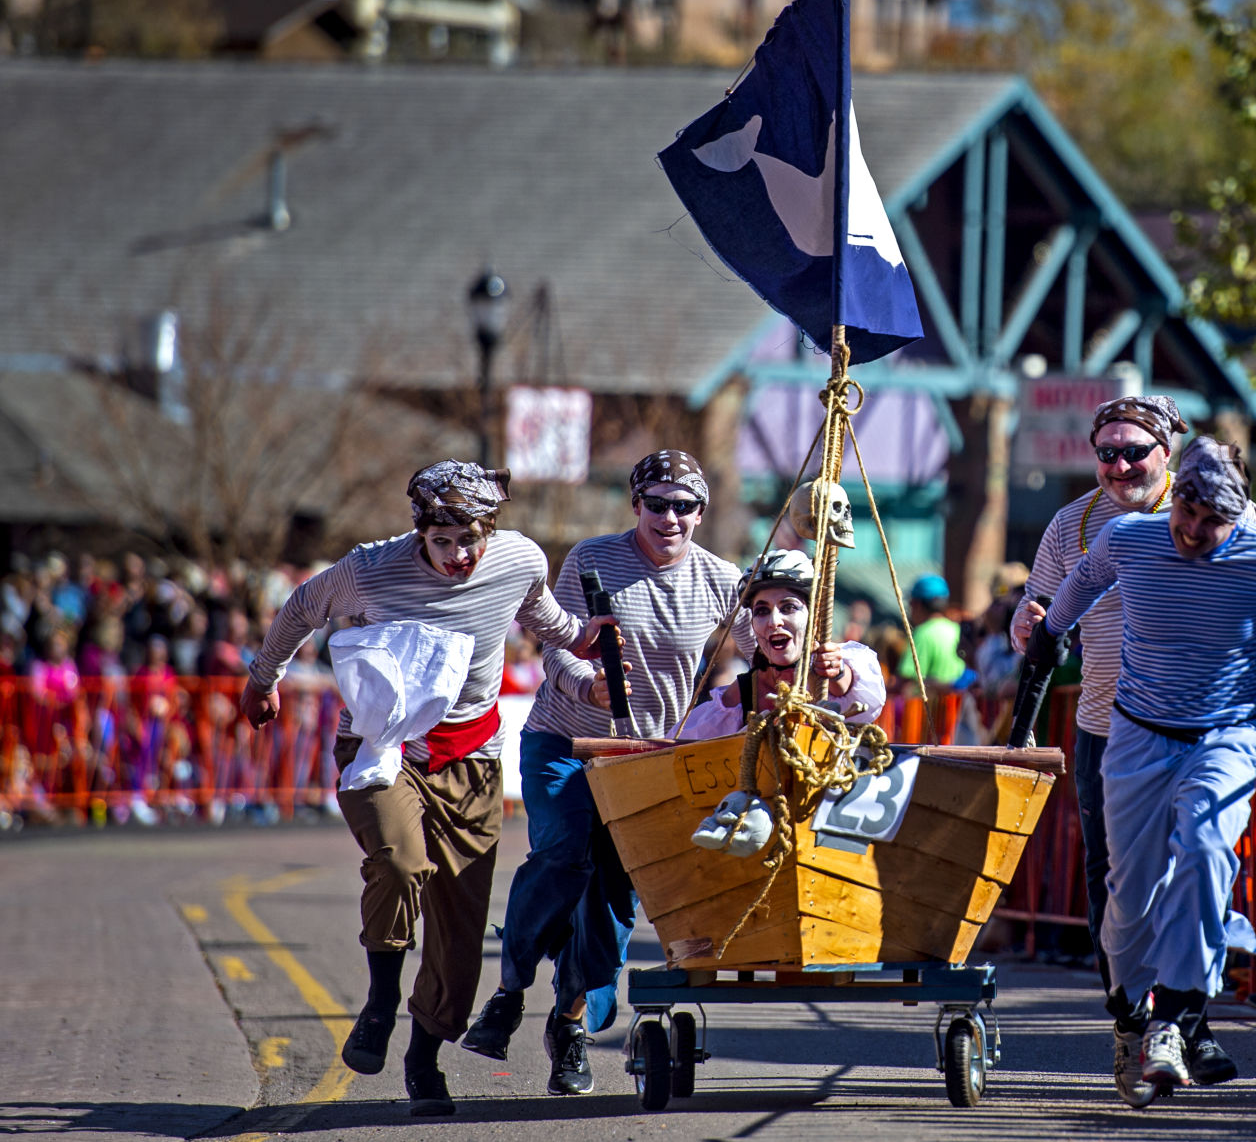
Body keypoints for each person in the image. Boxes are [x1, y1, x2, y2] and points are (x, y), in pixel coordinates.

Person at [1027, 436, 1256, 1109]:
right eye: (1186, 513)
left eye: (1211, 522)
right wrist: (1049, 634)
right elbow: (1079, 582)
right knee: (1130, 891)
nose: (1194, 531)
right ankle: (1132, 1008)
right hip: (1138, 733)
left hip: (1228, 733)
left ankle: (1177, 1018)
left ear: (1240, 514)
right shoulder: (1132, 538)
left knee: (1203, 848)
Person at [238, 461, 612, 1117]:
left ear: (490, 529)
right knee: (400, 860)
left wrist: (588, 643)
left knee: (460, 936)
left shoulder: (518, 558)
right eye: (444, 542)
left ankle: (424, 1053)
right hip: (385, 748)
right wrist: (264, 677)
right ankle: (381, 1004)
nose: (460, 556)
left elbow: (550, 621)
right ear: (421, 532)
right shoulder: (372, 569)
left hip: (473, 761)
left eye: (471, 540)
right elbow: (301, 608)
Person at [463, 450, 749, 1097]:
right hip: (566, 738)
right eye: (657, 503)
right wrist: (589, 683)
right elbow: (555, 643)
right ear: (635, 504)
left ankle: (570, 1024)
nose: (669, 516)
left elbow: (767, 647)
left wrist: (799, 657)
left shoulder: (720, 580)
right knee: (566, 855)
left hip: (646, 755)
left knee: (614, 897)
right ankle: (510, 989)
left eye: (684, 505)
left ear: (700, 512)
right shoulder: (593, 556)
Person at [1009, 394, 1256, 1022]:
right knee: (1114, 878)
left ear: (1166, 454)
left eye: (1133, 453)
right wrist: (1025, 625)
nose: (1118, 467)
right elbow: (1038, 611)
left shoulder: (1217, 510)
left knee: (1196, 859)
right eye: (1106, 454)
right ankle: (1130, 1017)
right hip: (1106, 728)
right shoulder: (1070, 526)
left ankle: (1186, 1023)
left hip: (1202, 726)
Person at [677, 549, 884, 742]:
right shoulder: (743, 693)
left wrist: (838, 674)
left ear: (814, 616)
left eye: (788, 608)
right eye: (762, 611)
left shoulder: (835, 672)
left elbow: (864, 699)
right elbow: (681, 748)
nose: (774, 621)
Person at [896, 574, 966, 691]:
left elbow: (906, 679)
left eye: (911, 603)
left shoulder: (923, 633)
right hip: (958, 705)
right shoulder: (957, 629)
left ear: (917, 604)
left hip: (930, 707)